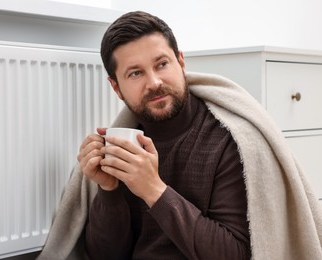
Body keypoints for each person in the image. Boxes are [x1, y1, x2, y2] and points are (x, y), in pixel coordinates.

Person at [38, 11, 322, 260]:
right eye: (135, 73)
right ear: (116, 88)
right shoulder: (123, 144)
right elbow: (106, 255)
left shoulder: (228, 140)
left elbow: (235, 253)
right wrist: (109, 191)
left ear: (181, 62)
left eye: (162, 64)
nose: (154, 82)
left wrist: (153, 190)